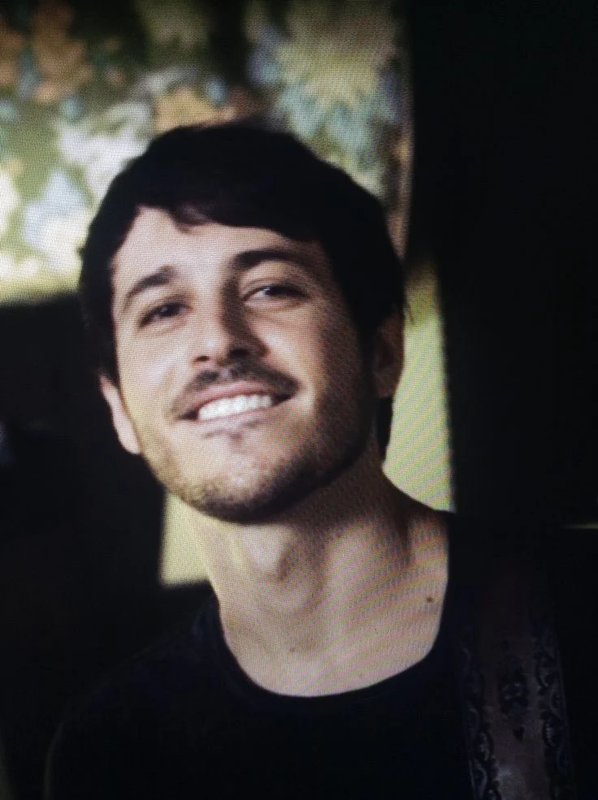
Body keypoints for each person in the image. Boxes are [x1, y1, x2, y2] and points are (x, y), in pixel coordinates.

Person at [45, 123, 576, 800]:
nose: (218, 341)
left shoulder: (579, 616)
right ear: (119, 407)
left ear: (382, 352)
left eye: (270, 288)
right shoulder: (108, 754)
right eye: (164, 309)